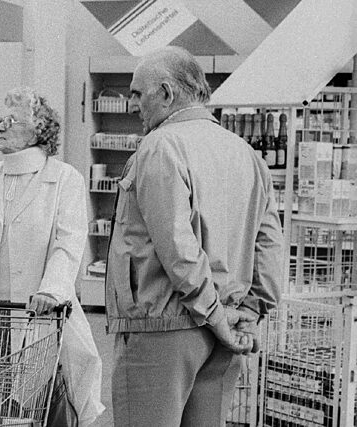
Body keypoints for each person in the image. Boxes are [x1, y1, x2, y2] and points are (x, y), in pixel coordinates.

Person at [106, 46, 283, 426]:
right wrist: (249, 312)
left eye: (138, 93)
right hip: (224, 334)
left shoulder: (159, 147)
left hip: (164, 328)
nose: (132, 104)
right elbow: (268, 245)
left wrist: (213, 313)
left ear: (166, 94)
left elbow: (176, 246)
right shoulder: (246, 153)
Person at [0, 88, 103, 426]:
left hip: (37, 312)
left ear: (39, 130)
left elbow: (68, 240)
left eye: (12, 121)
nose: (1, 127)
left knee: (34, 399)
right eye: (1, 120)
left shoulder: (63, 179)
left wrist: (51, 289)